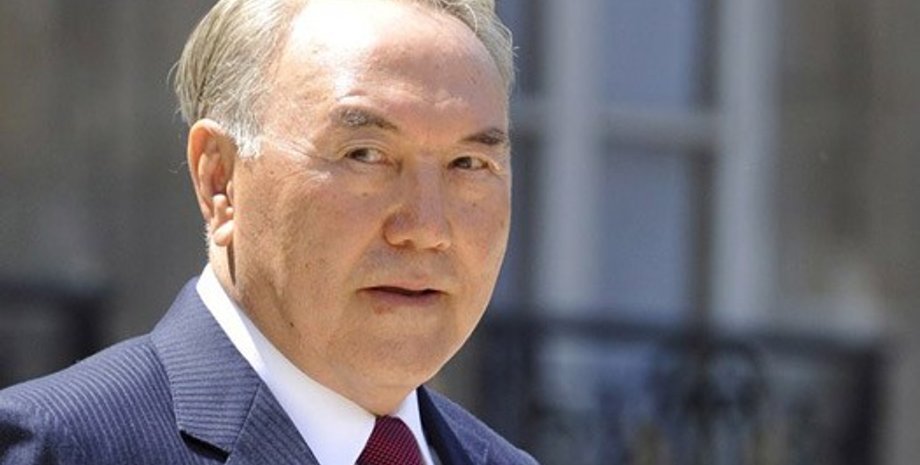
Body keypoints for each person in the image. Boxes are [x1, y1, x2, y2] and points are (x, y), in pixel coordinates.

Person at [0, 0, 537, 464]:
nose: (425, 228)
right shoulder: (55, 448)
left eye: (469, 164)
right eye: (366, 155)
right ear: (220, 179)